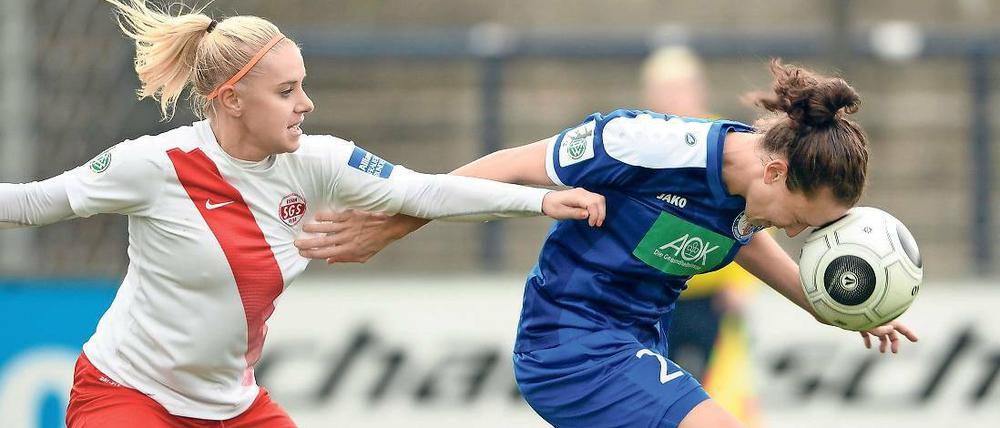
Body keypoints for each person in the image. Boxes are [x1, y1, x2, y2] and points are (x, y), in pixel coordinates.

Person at [0, 1, 607, 427]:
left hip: (232, 408)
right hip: (126, 396)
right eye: (286, 91)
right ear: (231, 100)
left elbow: (426, 192)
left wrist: (541, 202)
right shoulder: (153, 165)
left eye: (303, 86)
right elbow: (29, 204)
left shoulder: (318, 161)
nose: (306, 103)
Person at [296, 59, 920, 427]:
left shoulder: (750, 198)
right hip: (570, 343)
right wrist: (399, 218)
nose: (790, 230)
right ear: (777, 171)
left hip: (637, 343)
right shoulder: (641, 144)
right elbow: (514, 166)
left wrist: (829, 307)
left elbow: (744, 242)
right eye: (796, 217)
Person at [641, 45, 762, 426]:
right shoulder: (639, 140)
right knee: (653, 393)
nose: (675, 97)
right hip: (654, 297)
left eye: (682, 87)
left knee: (721, 390)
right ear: (650, 94)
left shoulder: (727, 145)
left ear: (699, 89)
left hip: (712, 295)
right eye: (665, 89)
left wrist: (742, 286)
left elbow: (753, 215)